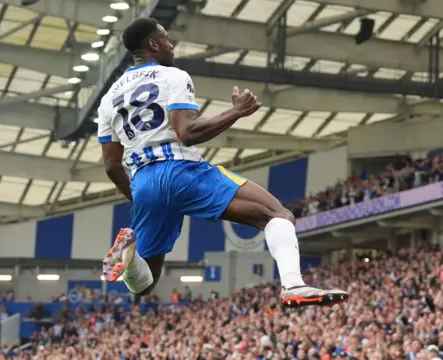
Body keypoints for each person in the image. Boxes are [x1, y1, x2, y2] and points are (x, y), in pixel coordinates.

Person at [97, 17, 348, 308]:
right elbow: (187, 133)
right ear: (152, 44)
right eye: (165, 39)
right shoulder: (173, 77)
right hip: (181, 170)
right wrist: (237, 112)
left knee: (144, 283)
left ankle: (129, 257)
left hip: (142, 181)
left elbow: (112, 165)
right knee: (277, 215)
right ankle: (293, 285)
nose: (171, 45)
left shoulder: (108, 99)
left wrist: (139, 197)